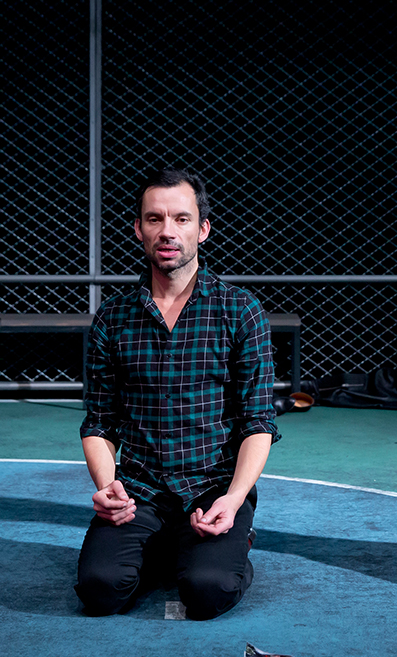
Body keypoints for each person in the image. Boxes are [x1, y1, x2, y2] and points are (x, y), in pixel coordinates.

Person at [75, 168, 279, 620]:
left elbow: (259, 423)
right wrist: (108, 488)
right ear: (139, 229)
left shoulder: (240, 311)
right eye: (155, 218)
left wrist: (234, 498)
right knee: (100, 590)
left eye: (181, 219)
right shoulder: (112, 317)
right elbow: (99, 423)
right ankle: (167, 545)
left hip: (212, 488)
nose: (167, 231)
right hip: (140, 490)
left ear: (202, 230)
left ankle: (230, 544)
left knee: (208, 592)